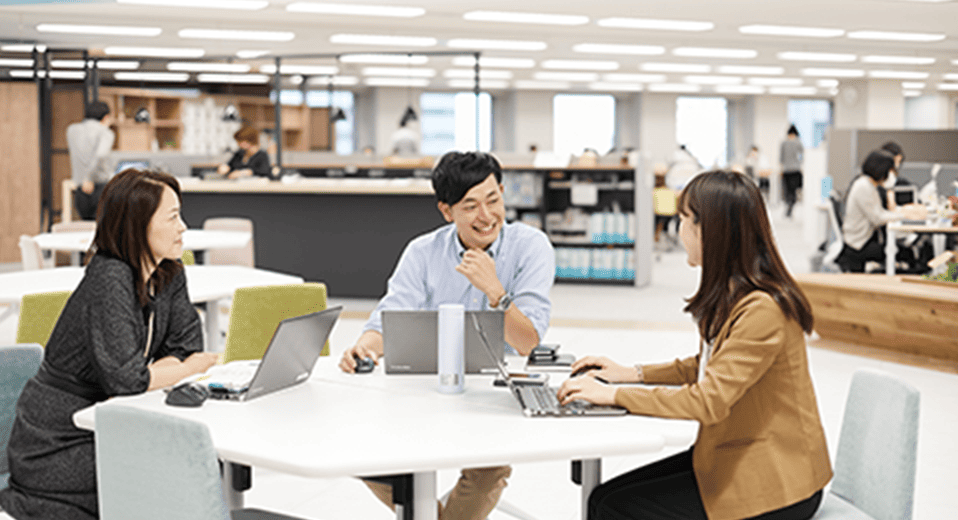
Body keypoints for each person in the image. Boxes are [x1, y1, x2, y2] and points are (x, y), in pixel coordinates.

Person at [557, 170, 833, 520]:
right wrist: (629, 374)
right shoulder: (734, 293)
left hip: (777, 480)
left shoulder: (762, 308)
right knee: (600, 499)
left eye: (685, 220)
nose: (679, 230)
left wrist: (612, 395)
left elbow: (709, 400)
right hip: (734, 453)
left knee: (613, 509)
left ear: (713, 231)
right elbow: (707, 366)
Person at [339, 151, 555, 520]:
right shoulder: (423, 252)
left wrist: (496, 293)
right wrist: (365, 348)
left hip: (492, 393)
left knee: (488, 473)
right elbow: (388, 319)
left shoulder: (530, 247)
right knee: (356, 450)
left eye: (493, 200)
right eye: (470, 206)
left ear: (503, 193)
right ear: (446, 210)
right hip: (422, 387)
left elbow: (529, 342)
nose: (486, 216)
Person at [0, 169, 219, 520]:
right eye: (173, 217)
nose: (183, 227)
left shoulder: (169, 273)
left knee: (184, 466)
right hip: (59, 439)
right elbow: (129, 380)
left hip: (109, 419)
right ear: (137, 225)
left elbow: (187, 345)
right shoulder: (109, 275)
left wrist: (165, 369)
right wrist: (186, 369)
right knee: (172, 470)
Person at [840, 150, 928, 273]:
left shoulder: (868, 184)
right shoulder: (864, 187)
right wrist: (904, 215)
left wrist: (902, 213)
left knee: (904, 251)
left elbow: (880, 213)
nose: (892, 175)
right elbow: (878, 218)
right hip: (858, 245)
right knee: (906, 254)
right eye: (890, 171)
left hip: (862, 240)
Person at [66, 100, 115, 221]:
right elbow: (101, 155)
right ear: (106, 117)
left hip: (80, 189)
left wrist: (84, 179)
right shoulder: (106, 133)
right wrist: (89, 178)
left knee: (85, 228)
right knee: (102, 229)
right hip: (99, 188)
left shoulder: (72, 130)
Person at [780, 124, 804, 218]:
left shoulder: (783, 143)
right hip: (795, 169)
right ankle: (791, 206)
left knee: (787, 189)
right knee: (793, 190)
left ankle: (788, 206)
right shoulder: (798, 142)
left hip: (786, 170)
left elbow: (781, 158)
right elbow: (802, 156)